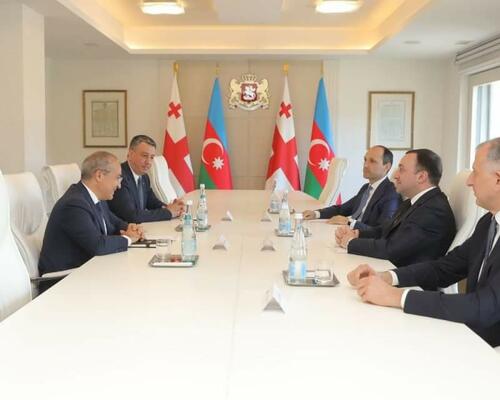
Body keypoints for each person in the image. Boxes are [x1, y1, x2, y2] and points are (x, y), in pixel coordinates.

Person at [347, 138, 500, 347]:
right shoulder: (488, 223)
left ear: (498, 180)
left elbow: (485, 307)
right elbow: (444, 268)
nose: (469, 181)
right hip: (471, 336)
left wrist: (397, 297)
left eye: (475, 172)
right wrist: (387, 277)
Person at [336, 149, 456, 267]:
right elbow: (385, 230)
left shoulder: (433, 210)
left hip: (404, 275)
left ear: (421, 177)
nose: (396, 176)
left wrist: (350, 242)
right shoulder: (414, 202)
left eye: (401, 169)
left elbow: (392, 249)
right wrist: (357, 233)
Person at [39, 151, 143, 277]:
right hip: (65, 280)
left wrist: (128, 227)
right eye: (117, 178)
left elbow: (113, 222)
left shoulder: (94, 197)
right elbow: (98, 245)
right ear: (99, 175)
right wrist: (129, 239)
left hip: (88, 270)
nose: (119, 185)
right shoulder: (74, 204)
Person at [303, 146, 400, 232]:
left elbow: (381, 230)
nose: (365, 165)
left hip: (362, 240)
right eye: (365, 160)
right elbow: (342, 209)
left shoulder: (391, 193)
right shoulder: (366, 188)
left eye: (372, 161)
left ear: (386, 167)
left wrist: (349, 222)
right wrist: (316, 214)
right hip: (347, 233)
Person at [108, 135, 185, 223]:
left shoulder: (144, 177)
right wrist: (168, 212)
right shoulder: (119, 177)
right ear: (130, 154)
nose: (148, 162)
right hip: (123, 229)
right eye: (144, 156)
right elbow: (132, 216)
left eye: (152, 157)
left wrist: (169, 207)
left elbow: (152, 202)